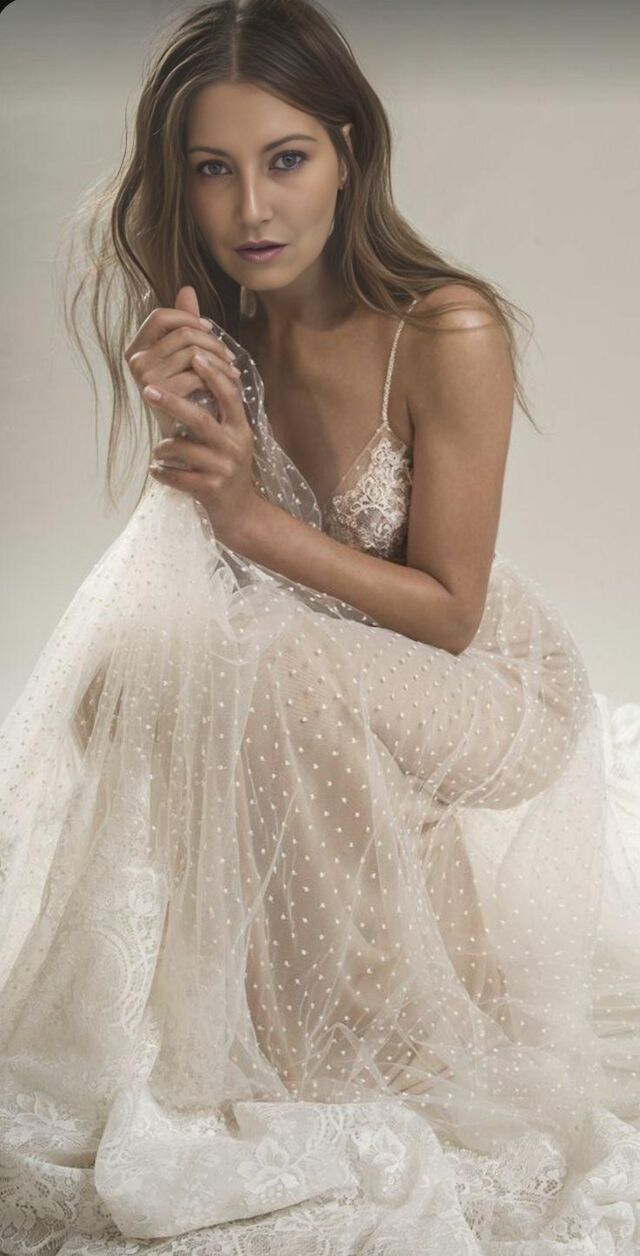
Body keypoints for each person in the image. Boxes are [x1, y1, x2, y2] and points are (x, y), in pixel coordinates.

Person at [1, 1, 638, 1252]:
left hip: (488, 686)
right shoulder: (225, 329)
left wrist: (246, 515)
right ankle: (281, 1017)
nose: (252, 208)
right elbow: (200, 595)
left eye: (285, 158)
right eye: (213, 168)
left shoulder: (448, 328)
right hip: (322, 666)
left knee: (281, 669)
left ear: (348, 152)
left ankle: (396, 1038)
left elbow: (447, 612)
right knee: (138, 673)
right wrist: (189, 435)